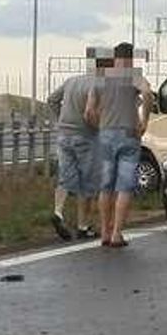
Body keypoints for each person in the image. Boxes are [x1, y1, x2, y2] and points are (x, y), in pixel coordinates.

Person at [85, 42, 151, 248]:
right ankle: (116, 234)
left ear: (114, 58)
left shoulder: (101, 77)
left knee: (105, 187)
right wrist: (144, 120)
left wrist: (99, 125)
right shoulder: (133, 75)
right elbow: (147, 94)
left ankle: (104, 232)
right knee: (124, 187)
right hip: (129, 135)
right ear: (130, 58)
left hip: (105, 134)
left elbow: (88, 111)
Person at [46, 64, 101, 240]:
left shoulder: (71, 81)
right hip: (86, 136)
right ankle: (83, 226)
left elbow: (52, 99)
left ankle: (58, 211)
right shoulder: (99, 85)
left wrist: (59, 119)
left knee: (66, 177)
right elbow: (91, 113)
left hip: (63, 135)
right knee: (88, 182)